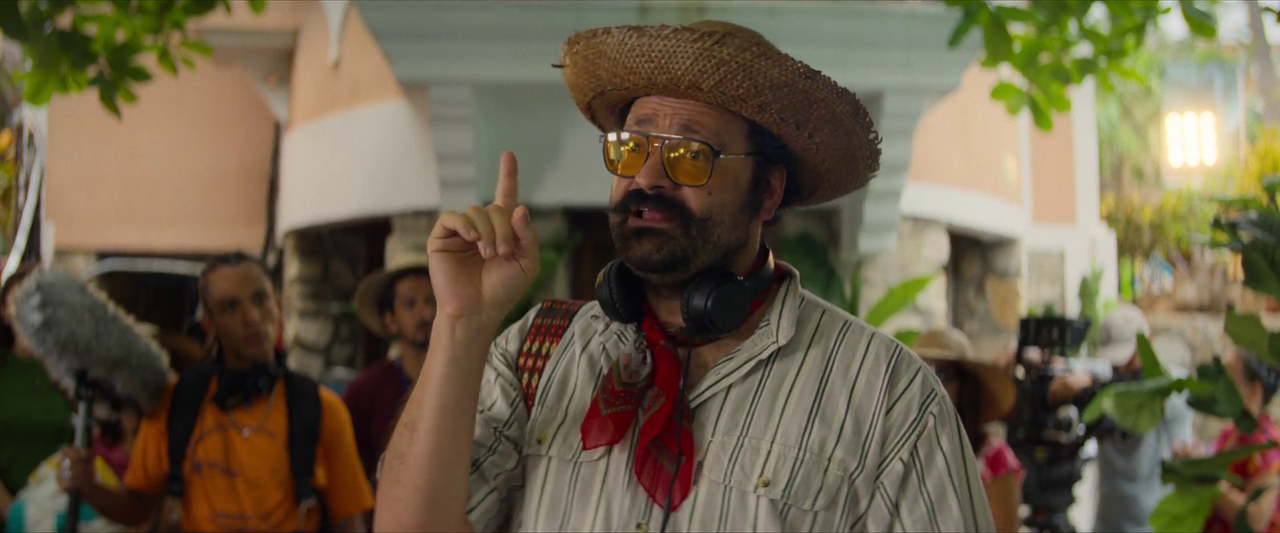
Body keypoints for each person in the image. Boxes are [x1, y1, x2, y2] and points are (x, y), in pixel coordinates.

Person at [375, 20, 994, 533]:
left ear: (767, 191)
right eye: (631, 147)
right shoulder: (538, 354)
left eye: (689, 155)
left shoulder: (888, 397)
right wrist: (462, 321)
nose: (647, 177)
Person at [57, 253, 375, 532]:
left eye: (260, 299)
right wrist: (89, 487)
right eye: (230, 307)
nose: (252, 318)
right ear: (209, 325)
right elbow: (137, 506)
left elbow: (349, 521)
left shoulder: (320, 407)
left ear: (278, 307)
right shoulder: (177, 402)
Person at [1047, 304, 1195, 532]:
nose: (1122, 368)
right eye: (1116, 363)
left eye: (1129, 359)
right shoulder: (1105, 378)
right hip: (1107, 525)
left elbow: (1143, 390)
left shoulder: (1176, 390)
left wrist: (1092, 383)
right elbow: (1074, 370)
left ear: (1149, 344)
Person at [914, 328, 1023, 533]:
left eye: (942, 374)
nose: (931, 382)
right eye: (922, 371)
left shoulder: (994, 459)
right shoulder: (901, 450)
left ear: (965, 386)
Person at [344, 250, 435, 484]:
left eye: (431, 302)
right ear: (390, 320)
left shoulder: (466, 383)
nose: (425, 314)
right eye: (410, 304)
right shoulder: (364, 392)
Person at [1171, 346, 1280, 532]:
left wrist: (1209, 479)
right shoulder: (1232, 433)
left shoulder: (1267, 446)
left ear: (1253, 392)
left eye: (1228, 381)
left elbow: (1255, 521)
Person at [0, 263, 73, 531]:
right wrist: (15, 513)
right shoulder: (5, 370)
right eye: (19, 302)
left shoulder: (70, 372)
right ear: (4, 312)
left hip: (57, 513)